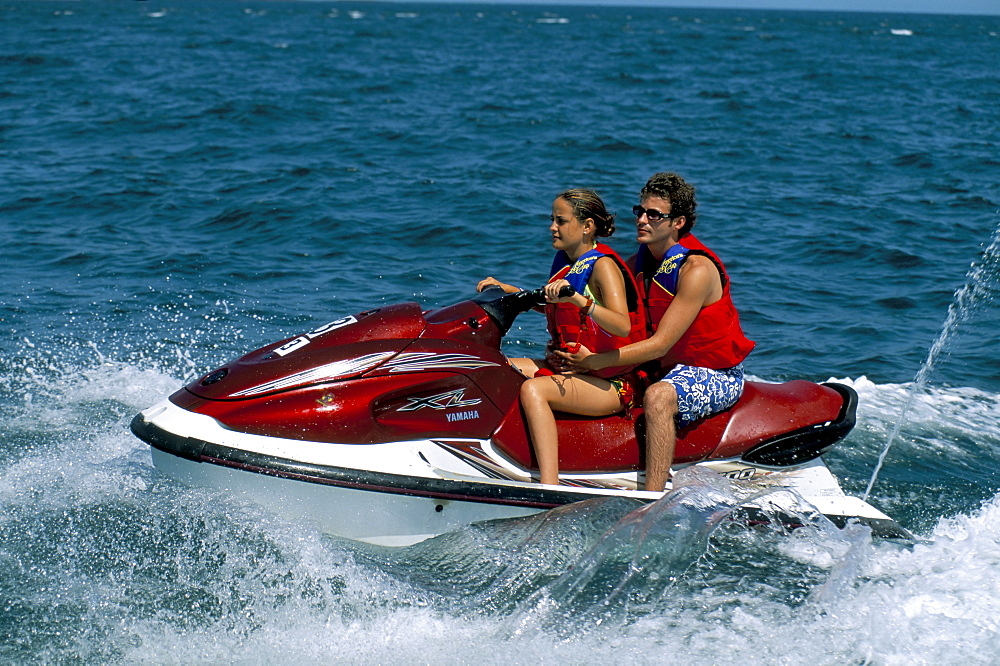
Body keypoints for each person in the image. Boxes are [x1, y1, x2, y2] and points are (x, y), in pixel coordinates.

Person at [558, 173, 755, 492]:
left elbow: (661, 344)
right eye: (640, 211)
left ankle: (653, 496)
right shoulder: (639, 263)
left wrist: (595, 361)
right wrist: (519, 295)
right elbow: (588, 301)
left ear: (678, 222)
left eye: (654, 215)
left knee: (659, 397)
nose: (642, 220)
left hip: (716, 374)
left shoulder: (696, 271)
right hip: (660, 368)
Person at [477, 189, 645, 485]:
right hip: (571, 369)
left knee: (535, 391)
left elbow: (621, 326)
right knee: (495, 367)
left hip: (610, 383)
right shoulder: (565, 261)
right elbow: (555, 310)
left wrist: (581, 301)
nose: (552, 227)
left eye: (560, 220)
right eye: (552, 219)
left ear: (587, 226)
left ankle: (549, 484)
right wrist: (507, 290)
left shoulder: (603, 266)